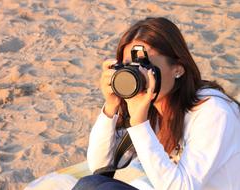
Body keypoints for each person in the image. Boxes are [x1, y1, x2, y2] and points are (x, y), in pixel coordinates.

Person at [72, 17, 240, 190]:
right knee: (89, 184)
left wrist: (139, 124)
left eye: (145, 64)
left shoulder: (213, 112)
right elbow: (100, 167)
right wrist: (110, 107)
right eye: (131, 66)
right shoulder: (146, 104)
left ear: (178, 68)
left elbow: (181, 187)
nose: (140, 74)